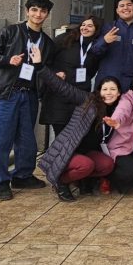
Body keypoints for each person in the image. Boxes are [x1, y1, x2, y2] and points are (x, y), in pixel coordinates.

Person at [0, 0, 55, 201]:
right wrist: (8, 60)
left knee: (26, 138)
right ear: (27, 11)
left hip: (30, 94)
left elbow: (46, 68)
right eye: (34, 10)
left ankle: (23, 175)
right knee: (1, 138)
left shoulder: (47, 43)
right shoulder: (11, 31)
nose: (38, 14)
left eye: (42, 11)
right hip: (7, 93)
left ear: (47, 14)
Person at [33, 44, 120, 202]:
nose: (109, 93)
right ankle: (61, 182)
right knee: (86, 165)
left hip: (88, 150)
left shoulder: (118, 110)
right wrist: (40, 66)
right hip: (70, 149)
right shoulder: (88, 100)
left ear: (119, 92)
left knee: (107, 165)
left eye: (113, 89)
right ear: (99, 91)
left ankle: (81, 179)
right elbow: (62, 87)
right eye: (105, 89)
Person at [40, 15, 103, 136]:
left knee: (75, 137)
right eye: (83, 25)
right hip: (59, 94)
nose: (85, 28)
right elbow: (45, 59)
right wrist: (54, 72)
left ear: (97, 29)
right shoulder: (65, 39)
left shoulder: (96, 48)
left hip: (80, 96)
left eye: (90, 26)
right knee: (62, 136)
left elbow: (92, 70)